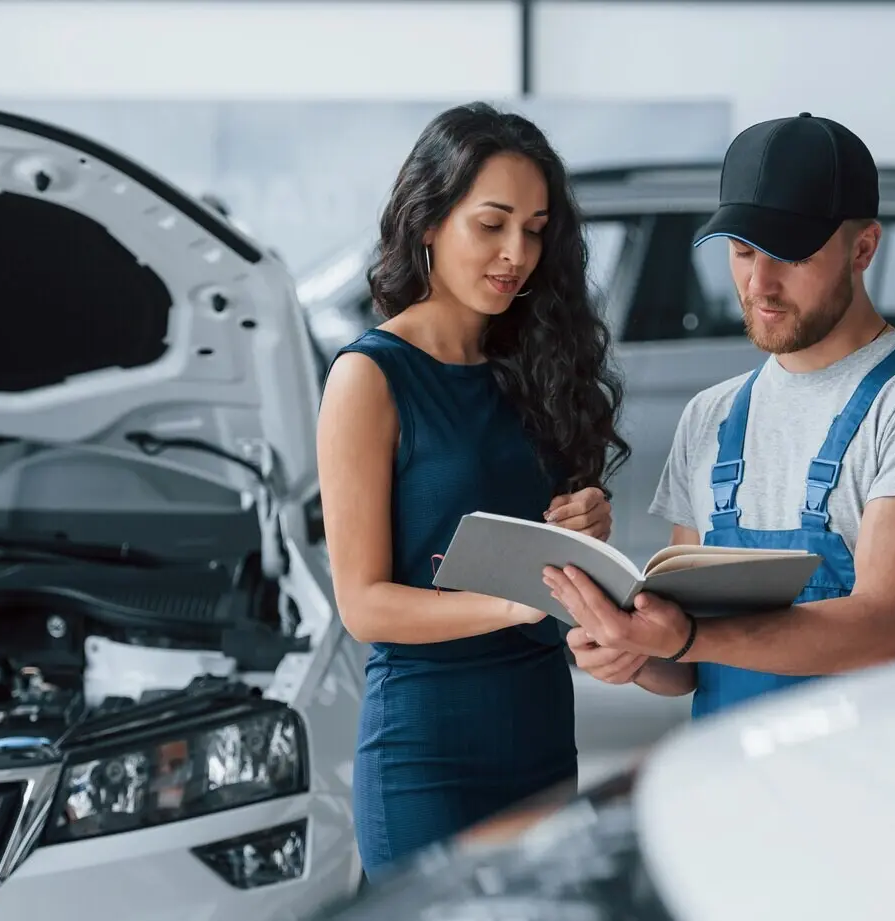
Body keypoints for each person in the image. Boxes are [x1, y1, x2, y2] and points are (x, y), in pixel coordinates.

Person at [545, 112, 895, 719]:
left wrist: (685, 638)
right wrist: (629, 650)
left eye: (789, 256)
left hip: (875, 783)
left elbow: (881, 628)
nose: (760, 284)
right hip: (736, 785)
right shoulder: (710, 415)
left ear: (863, 248)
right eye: (741, 252)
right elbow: (684, 663)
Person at [317, 102, 630, 881]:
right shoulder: (368, 378)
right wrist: (514, 601)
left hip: (540, 729)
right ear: (429, 222)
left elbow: (549, 541)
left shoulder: (538, 368)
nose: (515, 252)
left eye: (533, 228)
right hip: (426, 753)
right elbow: (364, 604)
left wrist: (586, 523)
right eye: (491, 224)